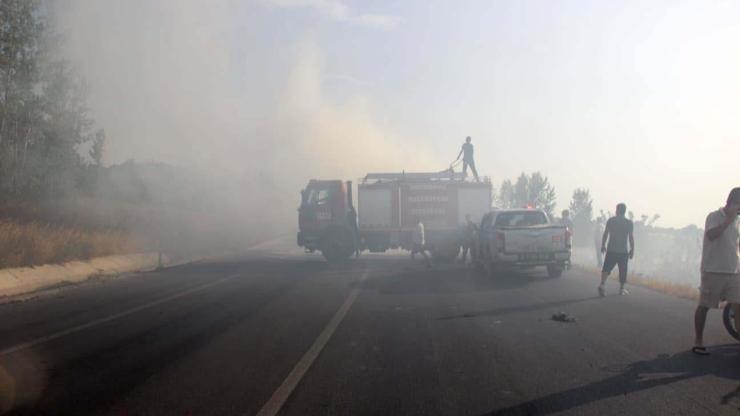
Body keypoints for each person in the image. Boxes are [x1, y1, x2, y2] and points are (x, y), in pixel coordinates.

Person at [692, 187, 740, 356]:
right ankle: (698, 341)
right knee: (705, 306)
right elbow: (712, 235)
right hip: (713, 269)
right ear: (732, 202)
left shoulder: (738, 221)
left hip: (733, 270)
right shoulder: (714, 216)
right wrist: (728, 219)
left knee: (738, 306)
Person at [598, 203, 635, 297]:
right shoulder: (628, 222)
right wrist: (632, 249)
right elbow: (631, 237)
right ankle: (621, 289)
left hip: (611, 249)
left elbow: (605, 234)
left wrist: (603, 245)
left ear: (617, 210)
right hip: (623, 251)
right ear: (625, 211)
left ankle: (602, 285)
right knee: (623, 270)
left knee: (606, 268)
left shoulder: (611, 220)